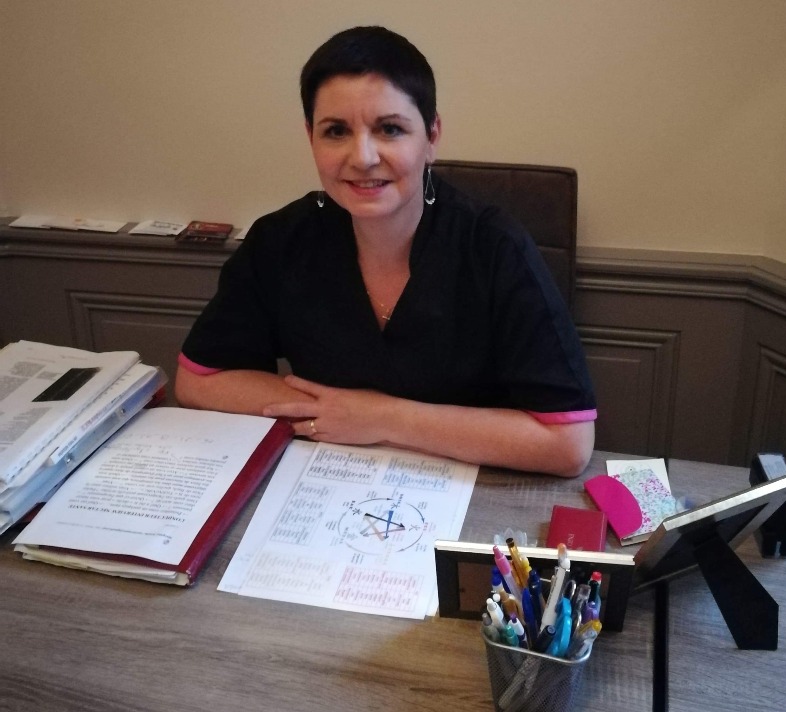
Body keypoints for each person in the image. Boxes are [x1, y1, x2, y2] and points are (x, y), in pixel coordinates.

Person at [175, 25, 597, 477]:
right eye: (336, 131)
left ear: (431, 136)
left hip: (475, 491)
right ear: (311, 137)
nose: (362, 157)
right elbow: (199, 380)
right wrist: (330, 413)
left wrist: (379, 418)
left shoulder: (495, 246)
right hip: (329, 477)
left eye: (390, 129)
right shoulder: (280, 239)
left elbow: (568, 444)